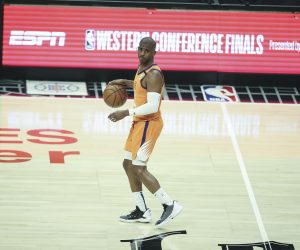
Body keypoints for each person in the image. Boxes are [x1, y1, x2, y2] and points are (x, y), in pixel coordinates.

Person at [108, 37, 182, 228]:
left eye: (146, 51)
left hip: (149, 123)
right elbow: (140, 86)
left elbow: (152, 106)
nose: (142, 53)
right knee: (128, 164)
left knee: (139, 167)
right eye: (140, 49)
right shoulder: (142, 69)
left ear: (154, 52)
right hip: (139, 123)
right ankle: (141, 210)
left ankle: (169, 204)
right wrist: (123, 82)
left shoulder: (154, 74)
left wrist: (125, 112)